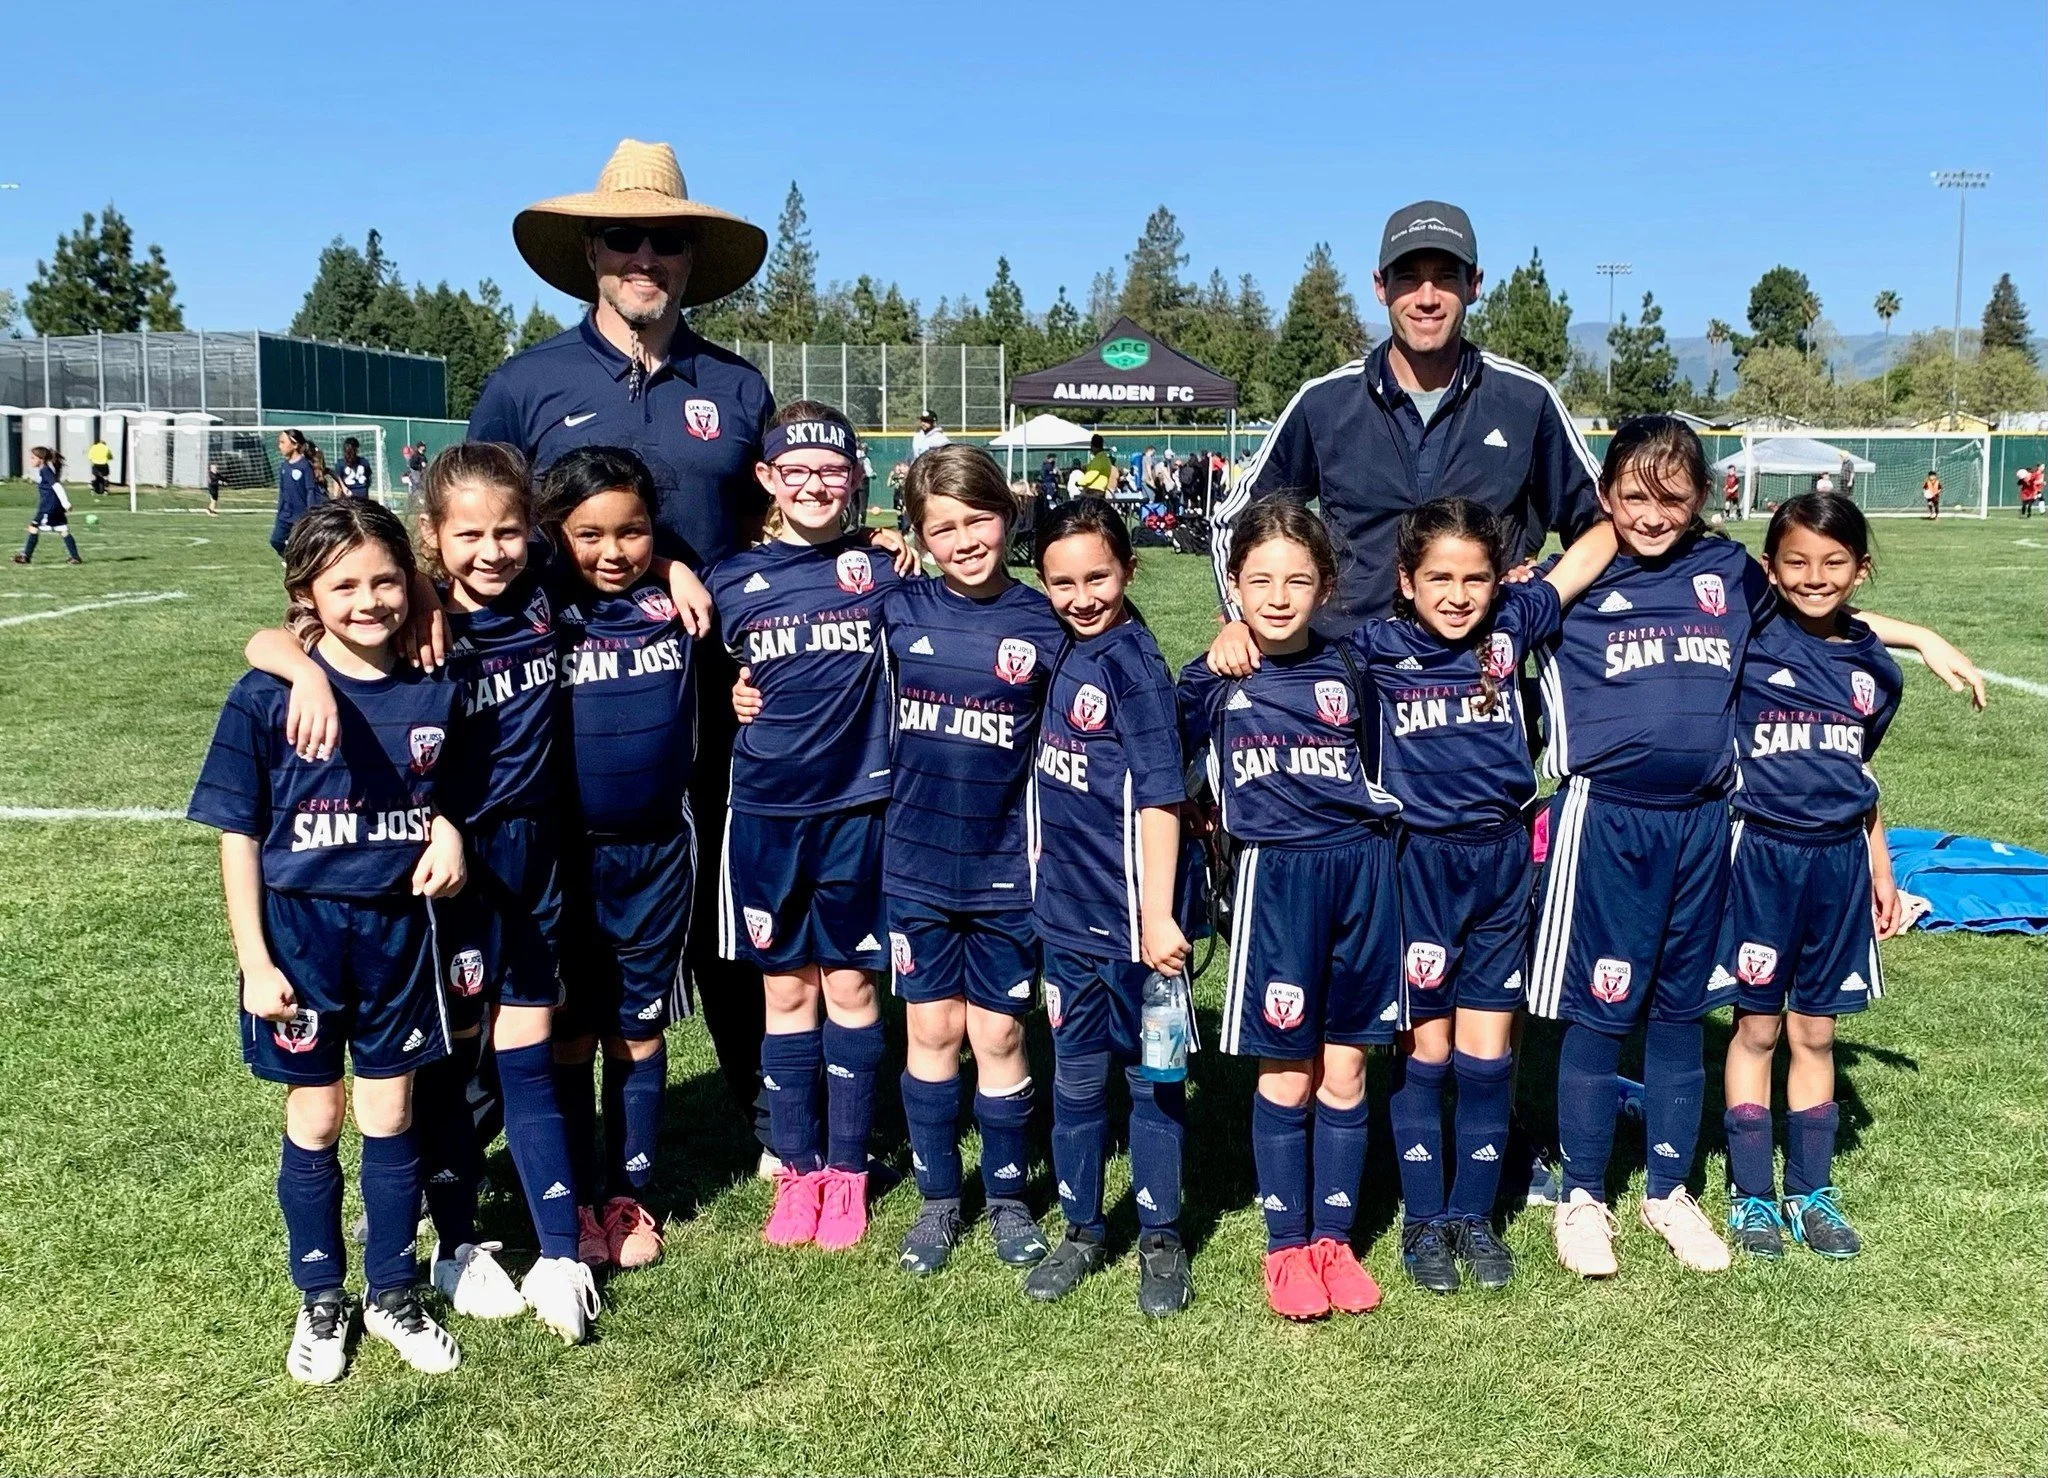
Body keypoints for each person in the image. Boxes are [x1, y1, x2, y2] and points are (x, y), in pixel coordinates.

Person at [1526, 416, 1979, 1280]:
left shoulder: (1729, 570)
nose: (1651, 515)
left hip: (1708, 826)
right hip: (1606, 820)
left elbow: (1820, 606)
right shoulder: (1575, 574)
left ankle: (1669, 1191)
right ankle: (1582, 1194)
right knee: (1600, 1006)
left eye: (1671, 497)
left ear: (1703, 497)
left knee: (1681, 1009)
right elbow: (1484, 610)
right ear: (1605, 496)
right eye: (1632, 496)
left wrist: (1918, 636)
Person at [466, 136, 779, 1162]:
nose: (645, 257)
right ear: (590, 253)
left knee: (727, 903)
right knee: (540, 920)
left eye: (666, 241)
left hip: (713, 696)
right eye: (623, 238)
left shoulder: (736, 387)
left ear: (691, 260)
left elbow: (771, 533)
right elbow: (478, 533)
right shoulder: (526, 384)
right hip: (556, 702)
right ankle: (488, 1146)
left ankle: (770, 1119)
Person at [188, 499, 467, 1383]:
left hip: (397, 935)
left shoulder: (436, 682)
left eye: (386, 580)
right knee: (316, 1116)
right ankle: (320, 1296)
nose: (369, 600)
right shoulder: (267, 695)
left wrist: (450, 829)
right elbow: (238, 835)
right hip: (300, 940)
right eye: (343, 586)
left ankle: (392, 1292)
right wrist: (253, 960)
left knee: (391, 1114)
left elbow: (453, 787)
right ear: (306, 593)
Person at [1349, 502, 1614, 1293]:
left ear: (1499, 581)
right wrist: (1235, 633)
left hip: (1501, 866)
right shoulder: (1372, 647)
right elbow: (1284, 639)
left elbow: (1591, 549)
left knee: (1488, 1055)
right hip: (1417, 866)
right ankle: (1424, 1218)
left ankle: (1473, 1215)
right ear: (1405, 581)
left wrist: (1621, 512)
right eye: (1439, 577)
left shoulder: (1510, 626)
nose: (1458, 594)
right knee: (1427, 1053)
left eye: (1475, 577)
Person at [820, 446, 1065, 1276]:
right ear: (919, 540)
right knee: (931, 1028)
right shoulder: (898, 608)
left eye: (978, 519)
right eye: (943, 528)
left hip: (1006, 868)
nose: (965, 540)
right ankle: (936, 1200)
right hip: (916, 863)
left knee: (998, 1032)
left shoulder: (1046, 623)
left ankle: (1006, 1196)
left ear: (1009, 516)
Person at [1178, 500, 1402, 1323]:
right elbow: (1166, 775)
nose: (1278, 597)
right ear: (1233, 585)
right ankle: (1286, 1246)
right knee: (1287, 1069)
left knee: (1345, 1071)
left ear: (1326, 587)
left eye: (1298, 580)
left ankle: (1333, 1242)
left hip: (1363, 876)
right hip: (1275, 881)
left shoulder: (1351, 665)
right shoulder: (1210, 680)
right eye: (1261, 580)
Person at [1211, 200, 1598, 636]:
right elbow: (1234, 520)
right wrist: (1238, 618)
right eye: (1409, 278)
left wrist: (1540, 588)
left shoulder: (1525, 400)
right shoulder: (1325, 403)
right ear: (1381, 287)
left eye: (1446, 277)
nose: (1427, 298)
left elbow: (1603, 520)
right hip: (1352, 665)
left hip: (1480, 665)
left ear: (1474, 285)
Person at [1717, 494, 1932, 1263]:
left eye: (1834, 562)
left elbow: (1859, 778)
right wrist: (1927, 634)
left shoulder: (1874, 669)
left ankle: (1810, 1190)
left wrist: (1883, 869)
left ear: (1860, 569)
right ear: (1770, 569)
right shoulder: (1748, 638)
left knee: (1816, 1031)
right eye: (1797, 562)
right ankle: (1750, 1194)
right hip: (1760, 857)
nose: (1816, 577)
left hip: (1839, 866)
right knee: (1757, 1028)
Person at [713, 403, 902, 1252]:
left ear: (856, 475)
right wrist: (734, 694)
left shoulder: (887, 569)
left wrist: (896, 540)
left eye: (832, 470)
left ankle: (848, 1170)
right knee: (786, 992)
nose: (815, 485)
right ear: (768, 479)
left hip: (859, 809)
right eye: (797, 471)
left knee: (853, 988)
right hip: (766, 813)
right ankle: (796, 1170)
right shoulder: (728, 580)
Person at [1024, 497, 1195, 1314]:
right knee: (1077, 1082)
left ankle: (1162, 1237)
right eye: (1063, 582)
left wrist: (1159, 917)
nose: (1082, 596)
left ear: (1128, 568)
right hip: (1068, 921)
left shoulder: (1134, 667)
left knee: (1156, 1081)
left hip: (1140, 933)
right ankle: (1083, 1229)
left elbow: (1162, 799)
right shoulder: (1062, 641)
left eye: (1099, 577)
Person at [539, 447, 698, 1279]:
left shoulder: (678, 601)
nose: (613, 551)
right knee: (569, 1031)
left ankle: (629, 1196)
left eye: (632, 532)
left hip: (657, 854)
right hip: (564, 859)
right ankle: (572, 1195)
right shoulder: (539, 605)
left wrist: (674, 567)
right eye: (589, 534)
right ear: (556, 535)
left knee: (637, 1029)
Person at [13, 446, 80, 565]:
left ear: (41, 459)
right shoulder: (44, 470)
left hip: (48, 508)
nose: (30, 460)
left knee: (34, 527)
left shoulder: (45, 470)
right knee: (63, 529)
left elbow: (57, 486)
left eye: (33, 458)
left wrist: (65, 503)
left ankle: (26, 556)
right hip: (53, 506)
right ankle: (75, 557)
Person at [270, 430, 319, 558]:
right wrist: (279, 511)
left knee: (300, 546)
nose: (279, 446)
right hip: (284, 515)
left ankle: (300, 563)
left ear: (295, 445)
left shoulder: (305, 466)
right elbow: (282, 492)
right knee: (276, 541)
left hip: (300, 516)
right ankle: (291, 560)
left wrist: (310, 514)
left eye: (282, 442)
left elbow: (310, 491)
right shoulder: (284, 466)